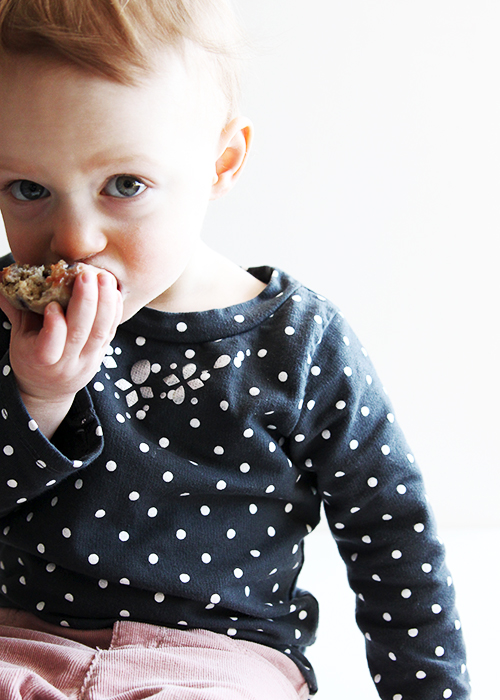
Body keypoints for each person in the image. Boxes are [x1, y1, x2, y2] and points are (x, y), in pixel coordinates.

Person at [0, 1, 470, 699]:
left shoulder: (299, 343)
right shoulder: (12, 322)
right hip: (24, 638)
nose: (74, 240)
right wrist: (37, 400)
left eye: (124, 186)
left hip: (219, 661)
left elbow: (392, 538)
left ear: (222, 162)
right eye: (29, 189)